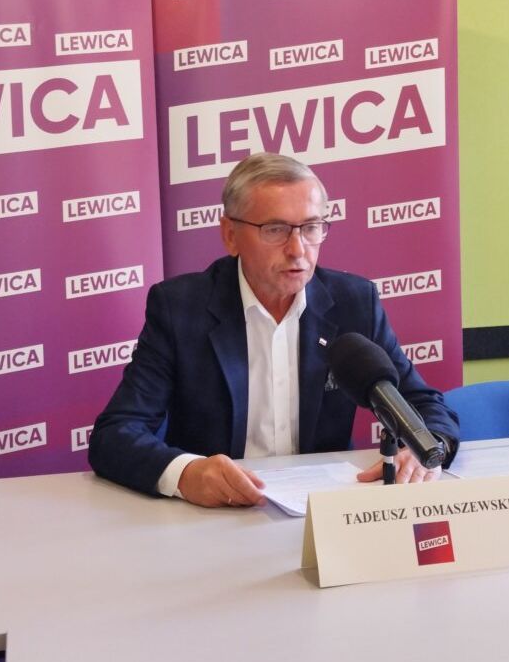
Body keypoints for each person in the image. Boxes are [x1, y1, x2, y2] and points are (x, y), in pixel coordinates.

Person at [88, 153, 459, 507]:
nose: (297, 249)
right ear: (230, 235)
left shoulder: (354, 303)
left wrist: (426, 449)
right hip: (214, 516)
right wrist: (185, 474)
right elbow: (116, 434)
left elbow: (425, 405)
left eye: (311, 228)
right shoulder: (180, 308)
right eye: (275, 230)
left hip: (323, 511)